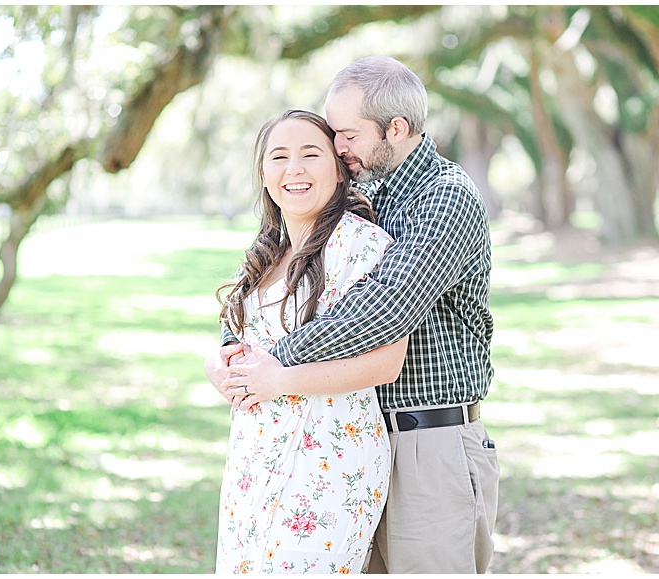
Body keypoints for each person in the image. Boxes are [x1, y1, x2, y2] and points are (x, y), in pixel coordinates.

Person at [208, 56, 500, 574]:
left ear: (397, 128)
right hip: (351, 438)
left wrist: (273, 363)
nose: (338, 149)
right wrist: (233, 358)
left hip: (425, 442)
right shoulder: (373, 196)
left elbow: (383, 309)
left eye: (346, 135)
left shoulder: (446, 198)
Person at [211, 109, 409, 574]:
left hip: (327, 461)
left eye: (310, 155)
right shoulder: (266, 255)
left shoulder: (361, 246)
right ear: (264, 174)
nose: (293, 168)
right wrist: (216, 368)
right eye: (279, 157)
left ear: (339, 170)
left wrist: (280, 381)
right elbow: (228, 344)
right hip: (252, 460)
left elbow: (385, 364)